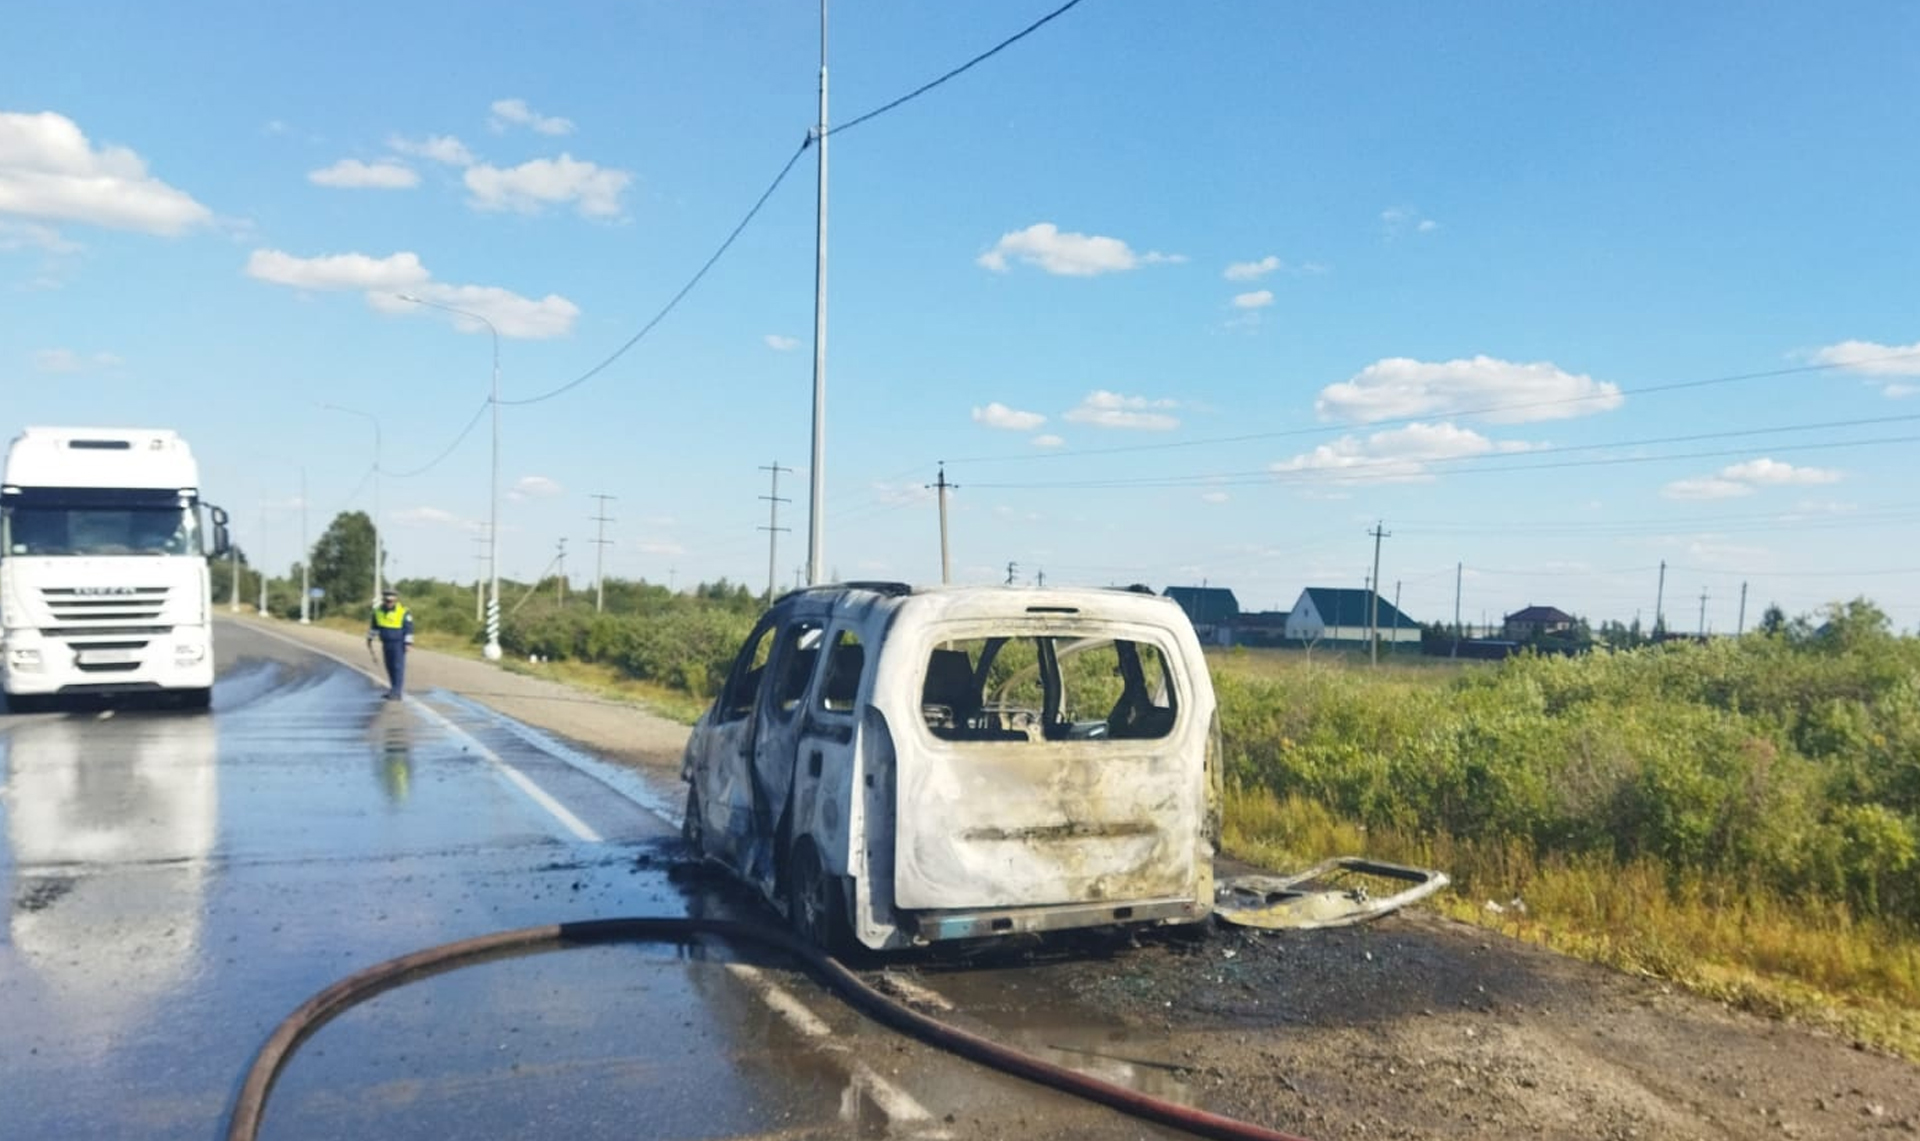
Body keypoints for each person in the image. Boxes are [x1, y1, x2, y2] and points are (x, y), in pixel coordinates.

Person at [367, 588, 414, 700]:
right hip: (386, 643)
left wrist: (408, 643)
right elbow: (374, 627)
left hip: (398, 643)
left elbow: (409, 628)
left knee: (397, 667)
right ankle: (393, 689)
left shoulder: (403, 611)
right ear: (384, 599)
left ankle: (397, 692)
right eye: (387, 601)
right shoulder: (377, 611)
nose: (389, 603)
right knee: (389, 667)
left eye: (391, 601)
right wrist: (369, 639)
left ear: (395, 600)